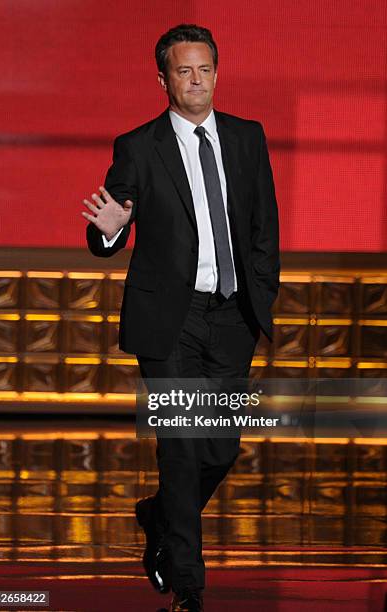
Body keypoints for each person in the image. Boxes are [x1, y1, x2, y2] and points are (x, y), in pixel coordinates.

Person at [82, 23, 280, 612]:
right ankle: (189, 583)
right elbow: (108, 226)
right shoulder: (138, 146)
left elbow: (263, 225)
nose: (195, 81)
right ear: (163, 78)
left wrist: (260, 292)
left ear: (216, 73)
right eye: (183, 71)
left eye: (204, 70)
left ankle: (161, 514)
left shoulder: (248, 137)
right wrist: (111, 232)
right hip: (169, 319)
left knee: (221, 447)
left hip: (232, 313)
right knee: (181, 446)